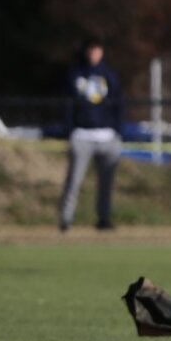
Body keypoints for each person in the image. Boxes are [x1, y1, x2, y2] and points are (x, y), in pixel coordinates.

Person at [58, 36, 125, 232]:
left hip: (107, 136)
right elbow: (68, 105)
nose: (93, 54)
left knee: (106, 183)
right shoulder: (75, 75)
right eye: (90, 50)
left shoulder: (110, 76)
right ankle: (65, 220)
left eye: (97, 50)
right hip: (82, 135)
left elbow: (119, 105)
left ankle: (103, 219)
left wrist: (118, 132)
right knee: (73, 180)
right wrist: (69, 130)